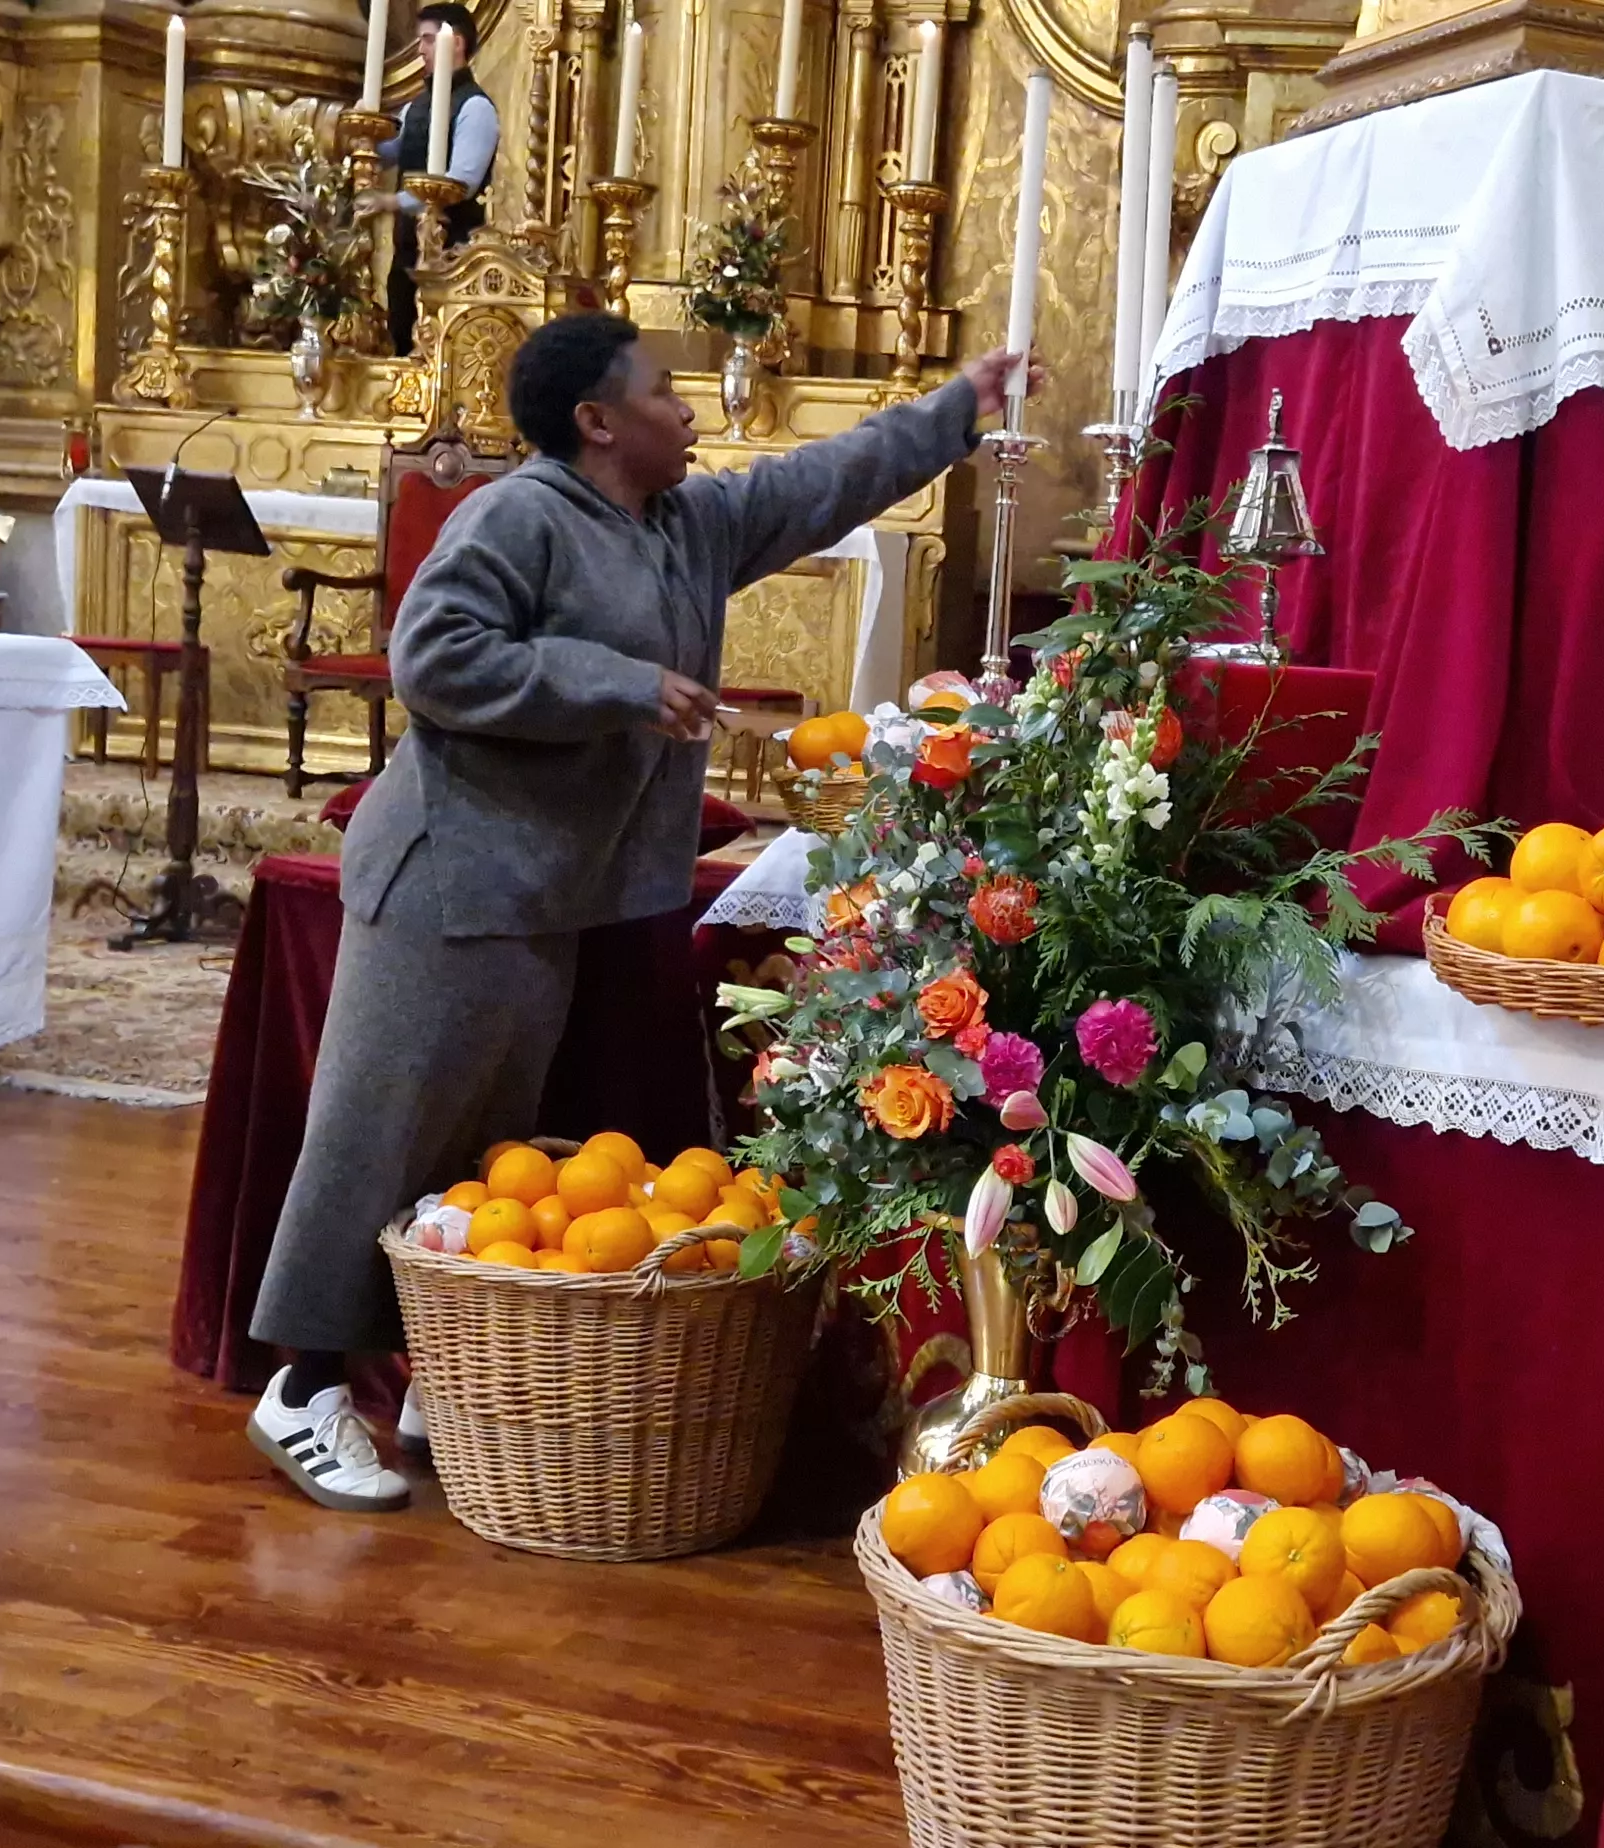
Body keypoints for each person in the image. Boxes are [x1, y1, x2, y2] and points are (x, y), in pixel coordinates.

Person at [245, 315, 1031, 1511]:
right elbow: (434, 657)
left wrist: (955, 409)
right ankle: (301, 1389)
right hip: (449, 875)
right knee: (382, 1136)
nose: (691, 409)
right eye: (665, 391)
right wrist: (613, 683)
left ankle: (435, 1370)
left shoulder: (686, 522)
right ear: (596, 422)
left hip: (548, 893)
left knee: (478, 1154)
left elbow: (819, 482)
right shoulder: (514, 516)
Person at [384, 2, 501, 353]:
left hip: (451, 261)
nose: (420, 50)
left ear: (457, 43)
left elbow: (459, 184)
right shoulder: (415, 106)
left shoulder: (476, 108)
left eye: (428, 40)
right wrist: (357, 133)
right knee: (401, 341)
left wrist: (391, 201)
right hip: (408, 252)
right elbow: (389, 150)